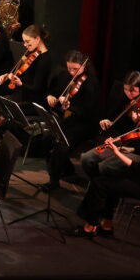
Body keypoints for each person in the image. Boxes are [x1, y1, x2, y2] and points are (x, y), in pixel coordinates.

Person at [72, 98, 140, 238]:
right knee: (109, 178)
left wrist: (116, 152)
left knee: (100, 184)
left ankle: (89, 228)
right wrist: (125, 148)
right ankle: (106, 226)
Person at [41, 50, 99, 192]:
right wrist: (50, 96)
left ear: (84, 66)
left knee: (62, 142)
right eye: (69, 68)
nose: (72, 72)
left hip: (85, 123)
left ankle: (54, 181)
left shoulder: (90, 83)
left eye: (75, 69)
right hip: (71, 119)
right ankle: (66, 169)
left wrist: (70, 106)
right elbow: (52, 91)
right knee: (47, 137)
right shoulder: (65, 76)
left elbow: (88, 111)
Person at [0, 24, 53, 106]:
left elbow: (37, 89)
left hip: (32, 101)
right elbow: (23, 75)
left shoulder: (44, 60)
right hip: (23, 95)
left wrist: (21, 84)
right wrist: (8, 75)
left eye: (27, 41)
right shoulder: (32, 53)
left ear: (37, 39)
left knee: (2, 105)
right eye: (24, 41)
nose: (25, 45)